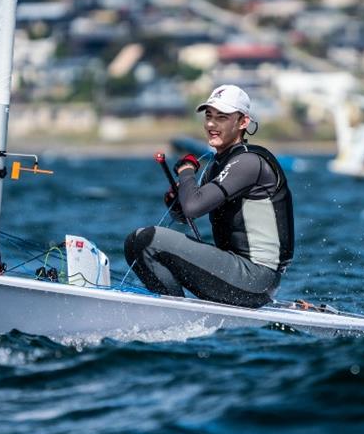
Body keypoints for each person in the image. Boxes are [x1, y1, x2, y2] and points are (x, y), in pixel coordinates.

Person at [124, 85, 294, 308]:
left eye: (222, 117)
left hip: (255, 279)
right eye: (209, 116)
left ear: (243, 122)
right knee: (137, 243)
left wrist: (186, 171)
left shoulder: (248, 162)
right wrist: (175, 200)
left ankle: (173, 315)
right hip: (239, 275)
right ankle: (172, 312)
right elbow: (185, 214)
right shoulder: (219, 165)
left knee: (145, 240)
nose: (211, 124)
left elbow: (194, 207)